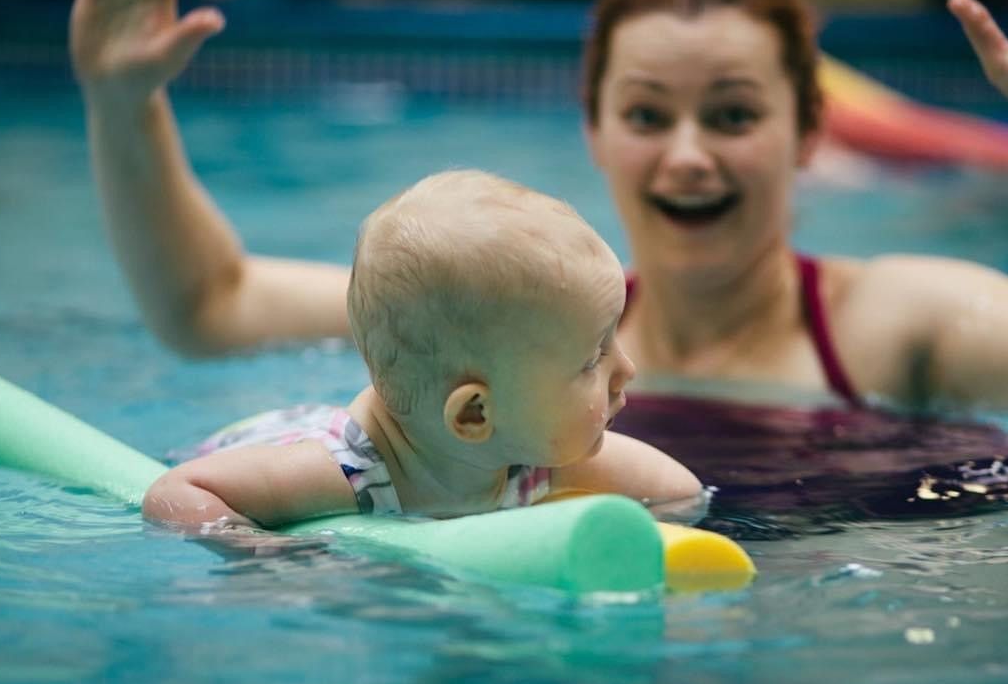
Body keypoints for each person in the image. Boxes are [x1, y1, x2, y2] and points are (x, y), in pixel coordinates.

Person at [70, 0, 1008, 447]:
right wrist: (122, 106)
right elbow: (206, 307)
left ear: (808, 134)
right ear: (594, 133)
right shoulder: (517, 313)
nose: (688, 153)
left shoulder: (900, 324)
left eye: (733, 114)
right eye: (647, 114)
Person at [143, 169, 702, 533]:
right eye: (590, 360)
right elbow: (177, 491)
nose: (626, 369)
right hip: (249, 446)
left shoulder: (540, 456)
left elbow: (682, 497)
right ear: (475, 413)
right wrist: (263, 557)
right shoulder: (340, 476)